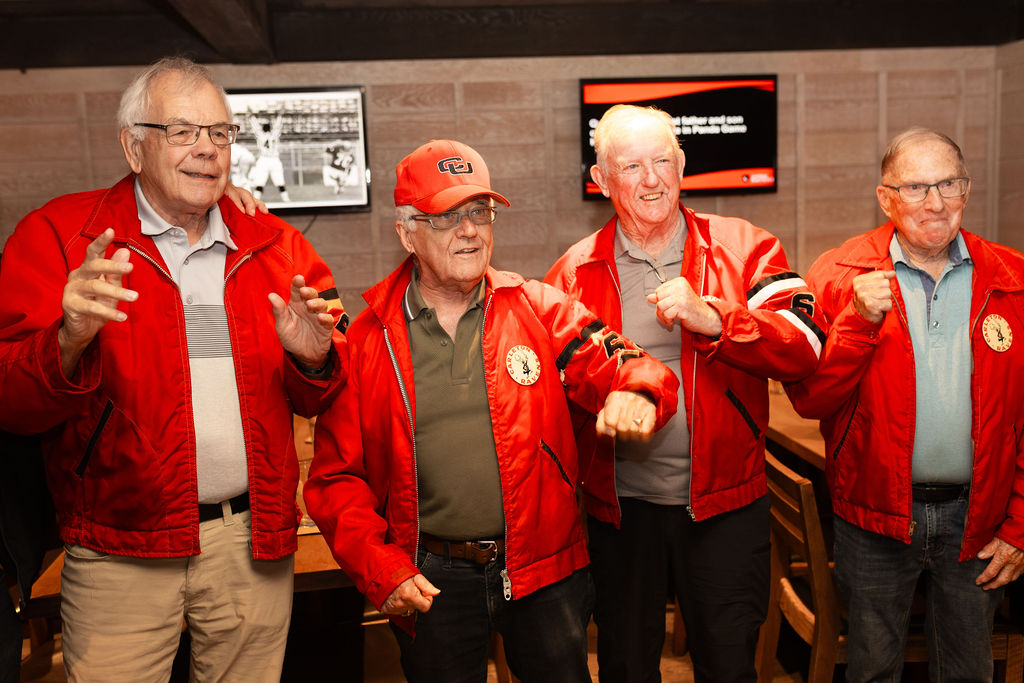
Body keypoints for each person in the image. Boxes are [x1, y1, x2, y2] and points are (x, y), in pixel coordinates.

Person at [0, 56, 349, 682]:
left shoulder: (275, 245)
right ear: (135, 147)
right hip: (119, 548)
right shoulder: (60, 236)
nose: (207, 150)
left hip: (251, 542)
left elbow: (320, 393)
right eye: (183, 131)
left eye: (220, 133)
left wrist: (313, 356)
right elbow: (11, 400)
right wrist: (69, 339)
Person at [304, 139, 679, 683]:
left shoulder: (538, 308)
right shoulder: (367, 341)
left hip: (543, 568)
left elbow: (633, 363)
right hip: (427, 575)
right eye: (447, 217)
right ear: (407, 232)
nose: (470, 230)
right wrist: (381, 568)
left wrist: (637, 390)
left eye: (480, 212)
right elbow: (336, 479)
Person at [545, 104, 827, 683]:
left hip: (726, 508)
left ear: (682, 165)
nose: (651, 180)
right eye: (630, 166)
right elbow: (551, 395)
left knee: (728, 665)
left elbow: (806, 345)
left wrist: (719, 318)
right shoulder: (572, 273)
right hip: (619, 515)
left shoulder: (748, 247)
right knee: (625, 664)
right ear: (601, 181)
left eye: (661, 162)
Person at [786, 127, 1024, 681]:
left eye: (949, 183)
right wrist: (858, 325)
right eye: (916, 187)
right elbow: (811, 399)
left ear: (967, 190)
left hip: (979, 519)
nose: (935, 202)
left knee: (967, 671)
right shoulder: (839, 276)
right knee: (872, 669)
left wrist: (1019, 525)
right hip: (873, 518)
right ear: (885, 198)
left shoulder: (1011, 280)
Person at [249, 112, 291, 202]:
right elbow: (278, 126)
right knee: (280, 182)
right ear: (270, 128)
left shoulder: (260, 135)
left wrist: (252, 117)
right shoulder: (274, 134)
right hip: (274, 159)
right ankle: (286, 200)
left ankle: (256, 201)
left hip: (263, 159)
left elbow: (255, 127)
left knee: (259, 183)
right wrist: (279, 116)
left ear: (263, 129)